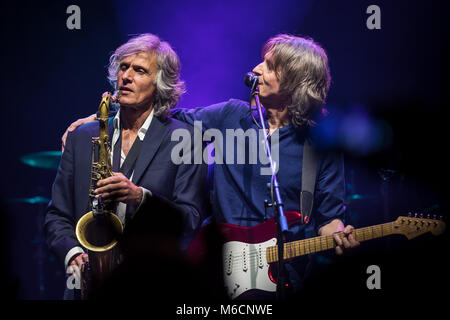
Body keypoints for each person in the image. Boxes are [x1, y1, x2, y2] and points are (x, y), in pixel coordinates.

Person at [62, 34, 360, 298]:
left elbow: (329, 218)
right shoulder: (231, 116)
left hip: (285, 276)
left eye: (269, 65)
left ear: (296, 80)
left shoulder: (321, 143)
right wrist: (104, 117)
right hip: (218, 272)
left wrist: (337, 236)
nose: (256, 69)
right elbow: (162, 116)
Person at [45, 33, 208, 299]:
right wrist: (73, 254)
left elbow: (190, 220)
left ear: (160, 84)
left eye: (140, 70)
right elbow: (56, 215)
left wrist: (140, 198)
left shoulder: (186, 140)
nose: (126, 76)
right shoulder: (82, 136)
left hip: (150, 284)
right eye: (123, 67)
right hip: (87, 287)